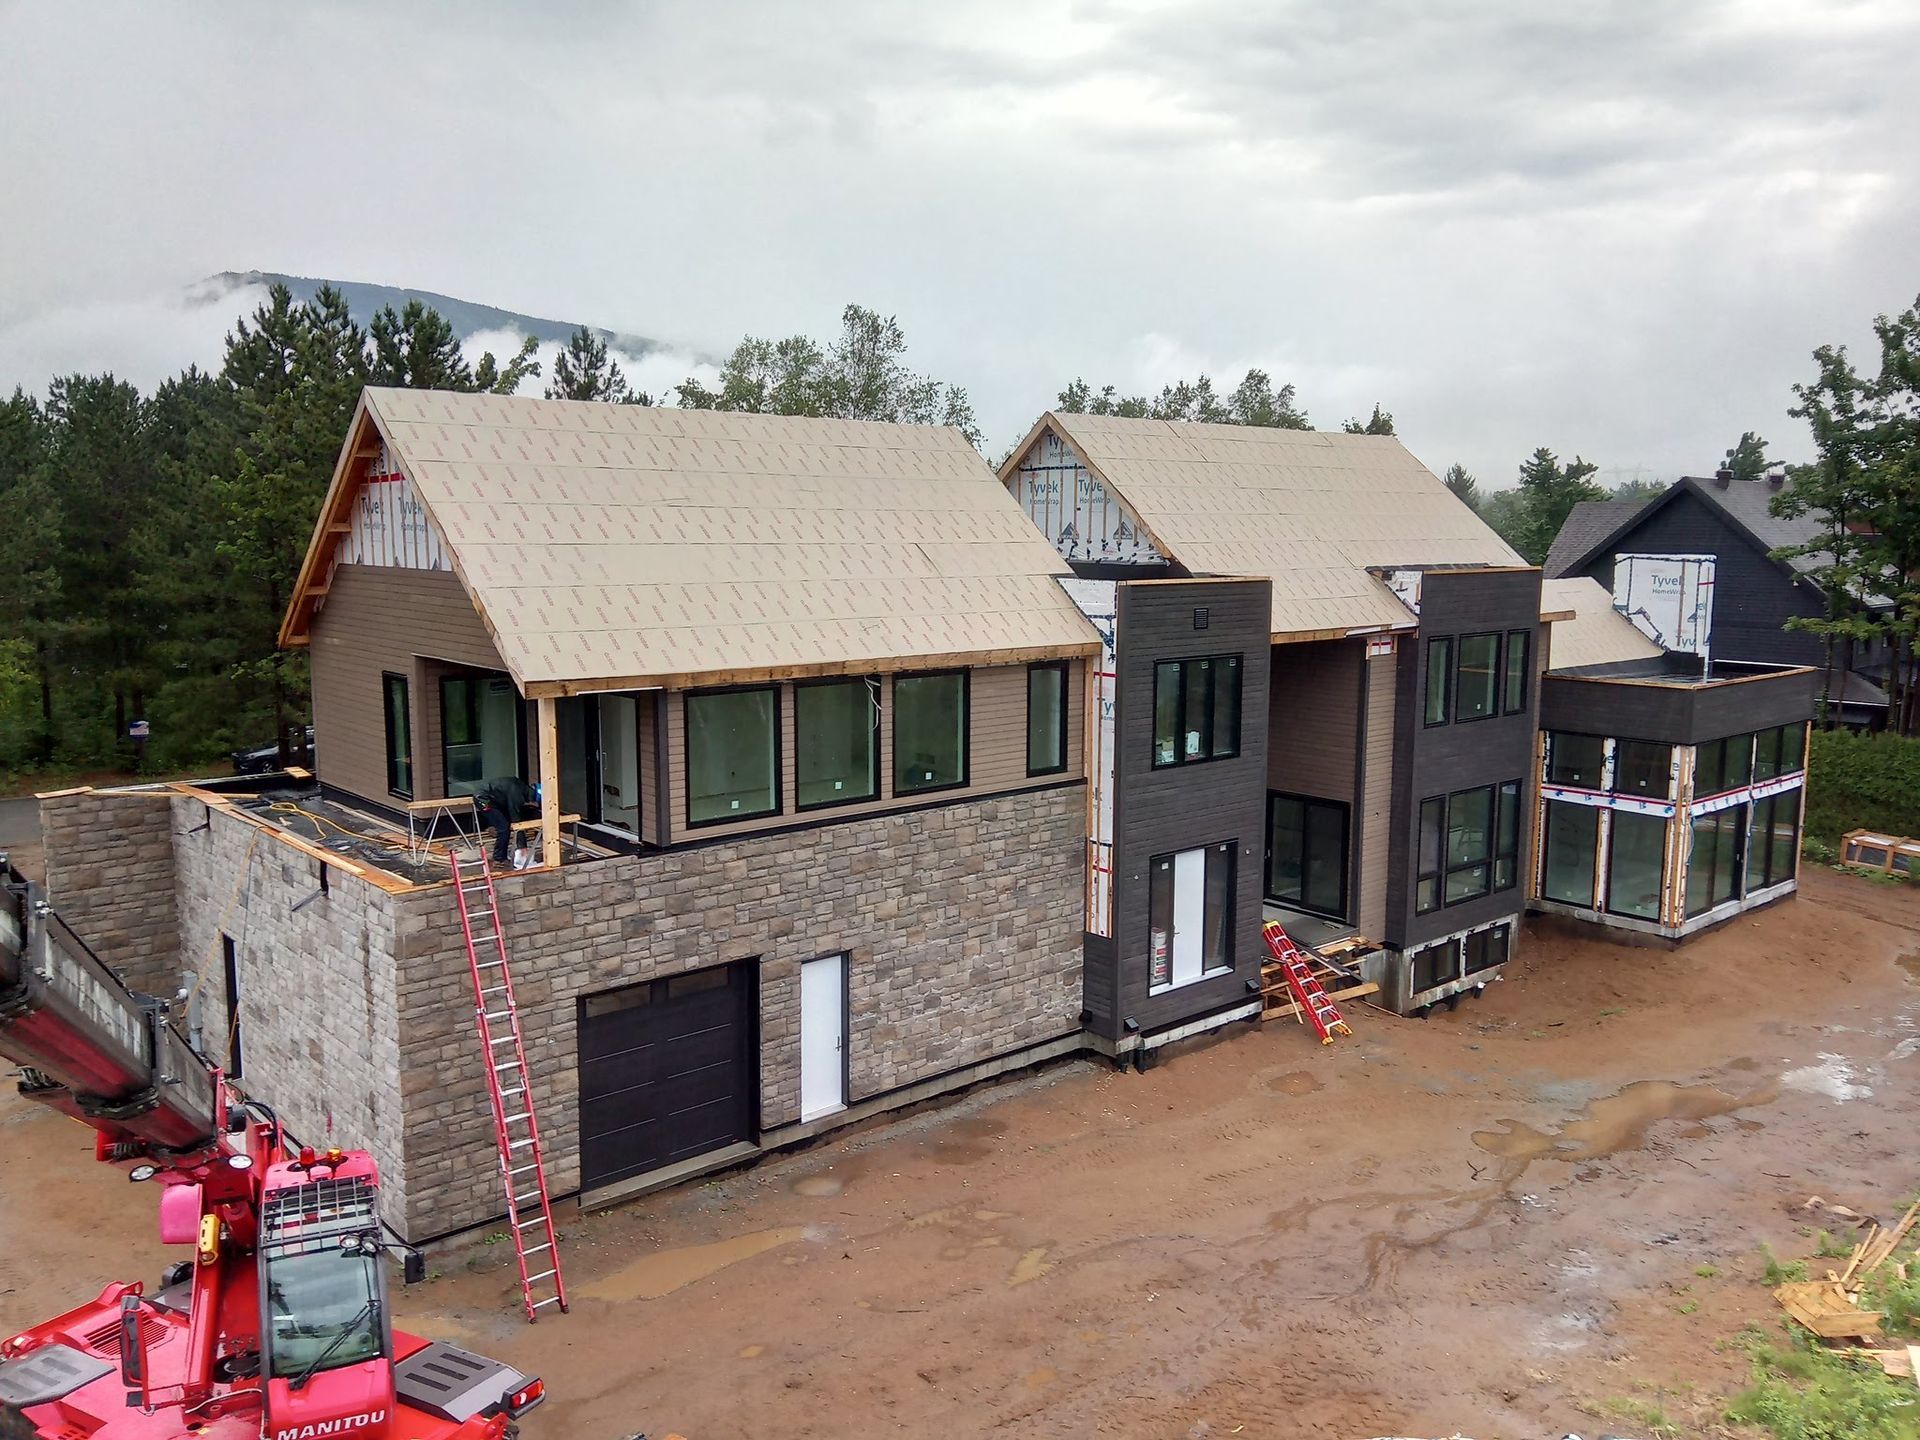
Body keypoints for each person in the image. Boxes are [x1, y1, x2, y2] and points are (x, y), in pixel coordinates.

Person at [473, 777, 540, 870]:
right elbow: (516, 821)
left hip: (490, 797)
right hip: (483, 799)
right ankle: (498, 859)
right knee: (503, 828)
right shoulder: (517, 795)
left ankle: (493, 828)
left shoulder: (520, 787)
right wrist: (523, 847)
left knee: (503, 823)